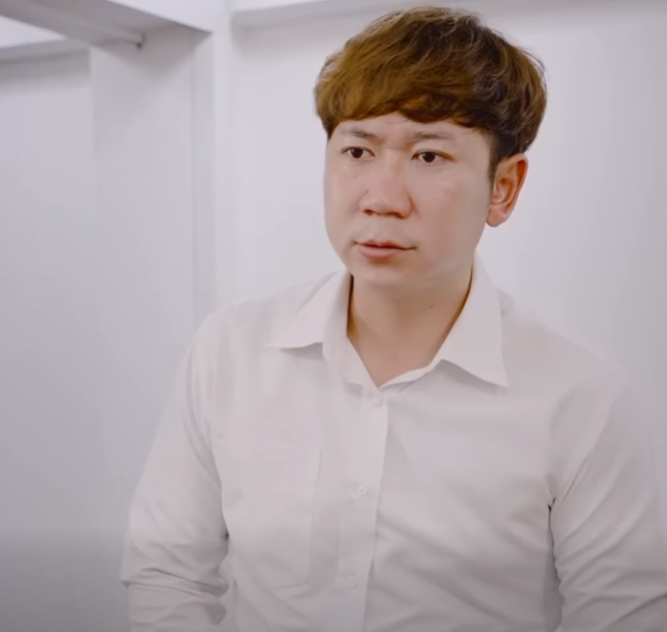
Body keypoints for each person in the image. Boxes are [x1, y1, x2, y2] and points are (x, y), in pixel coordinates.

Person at [120, 6, 667, 632]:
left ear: (504, 188)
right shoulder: (230, 350)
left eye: (429, 157)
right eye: (357, 150)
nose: (380, 199)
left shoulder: (584, 397)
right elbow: (167, 574)